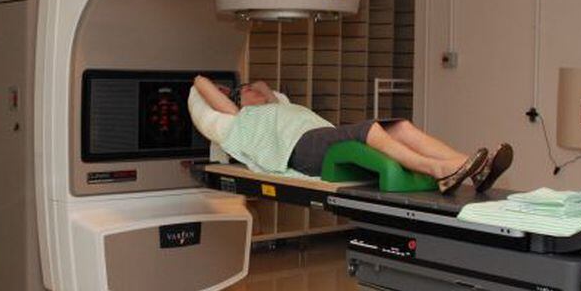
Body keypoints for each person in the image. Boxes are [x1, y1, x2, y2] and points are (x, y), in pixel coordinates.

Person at [189, 75, 513, 194]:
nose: (256, 91)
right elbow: (199, 82)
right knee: (367, 129)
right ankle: (439, 170)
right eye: (246, 91)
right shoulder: (241, 118)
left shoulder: (276, 104)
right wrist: (229, 92)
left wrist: (250, 87)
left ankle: (473, 168)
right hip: (300, 149)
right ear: (238, 100)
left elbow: (262, 85)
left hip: (320, 137)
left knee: (400, 126)